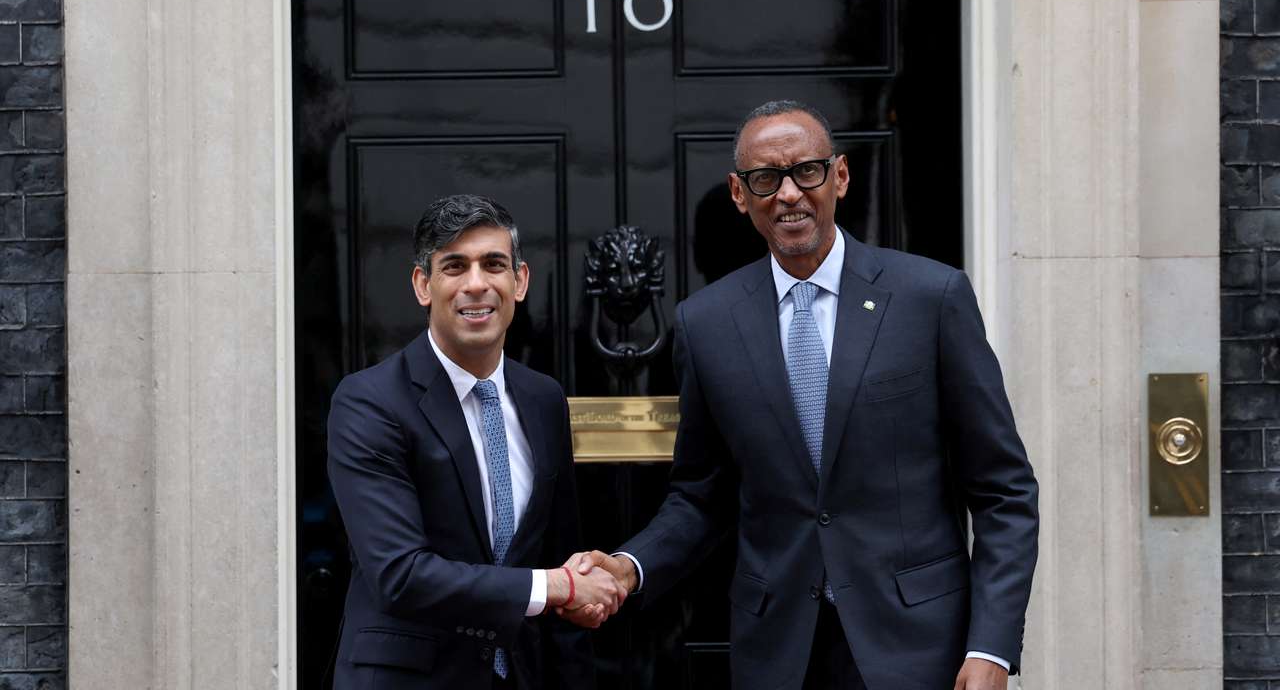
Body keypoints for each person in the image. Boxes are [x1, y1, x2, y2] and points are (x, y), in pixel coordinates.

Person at [567, 101, 1039, 690]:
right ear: (741, 195)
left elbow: (1003, 490)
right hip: (779, 654)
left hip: (921, 648)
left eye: (806, 172)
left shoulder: (930, 298)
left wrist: (990, 648)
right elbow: (700, 496)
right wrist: (628, 568)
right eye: (766, 179)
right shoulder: (706, 324)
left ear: (839, 176)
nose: (788, 193)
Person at [327, 194, 623, 690]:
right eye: (454, 266)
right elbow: (401, 573)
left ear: (520, 281)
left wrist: (576, 597)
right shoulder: (369, 402)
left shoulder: (544, 399)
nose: (477, 284)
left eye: (494, 264)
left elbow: (560, 550)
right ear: (423, 284)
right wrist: (556, 585)